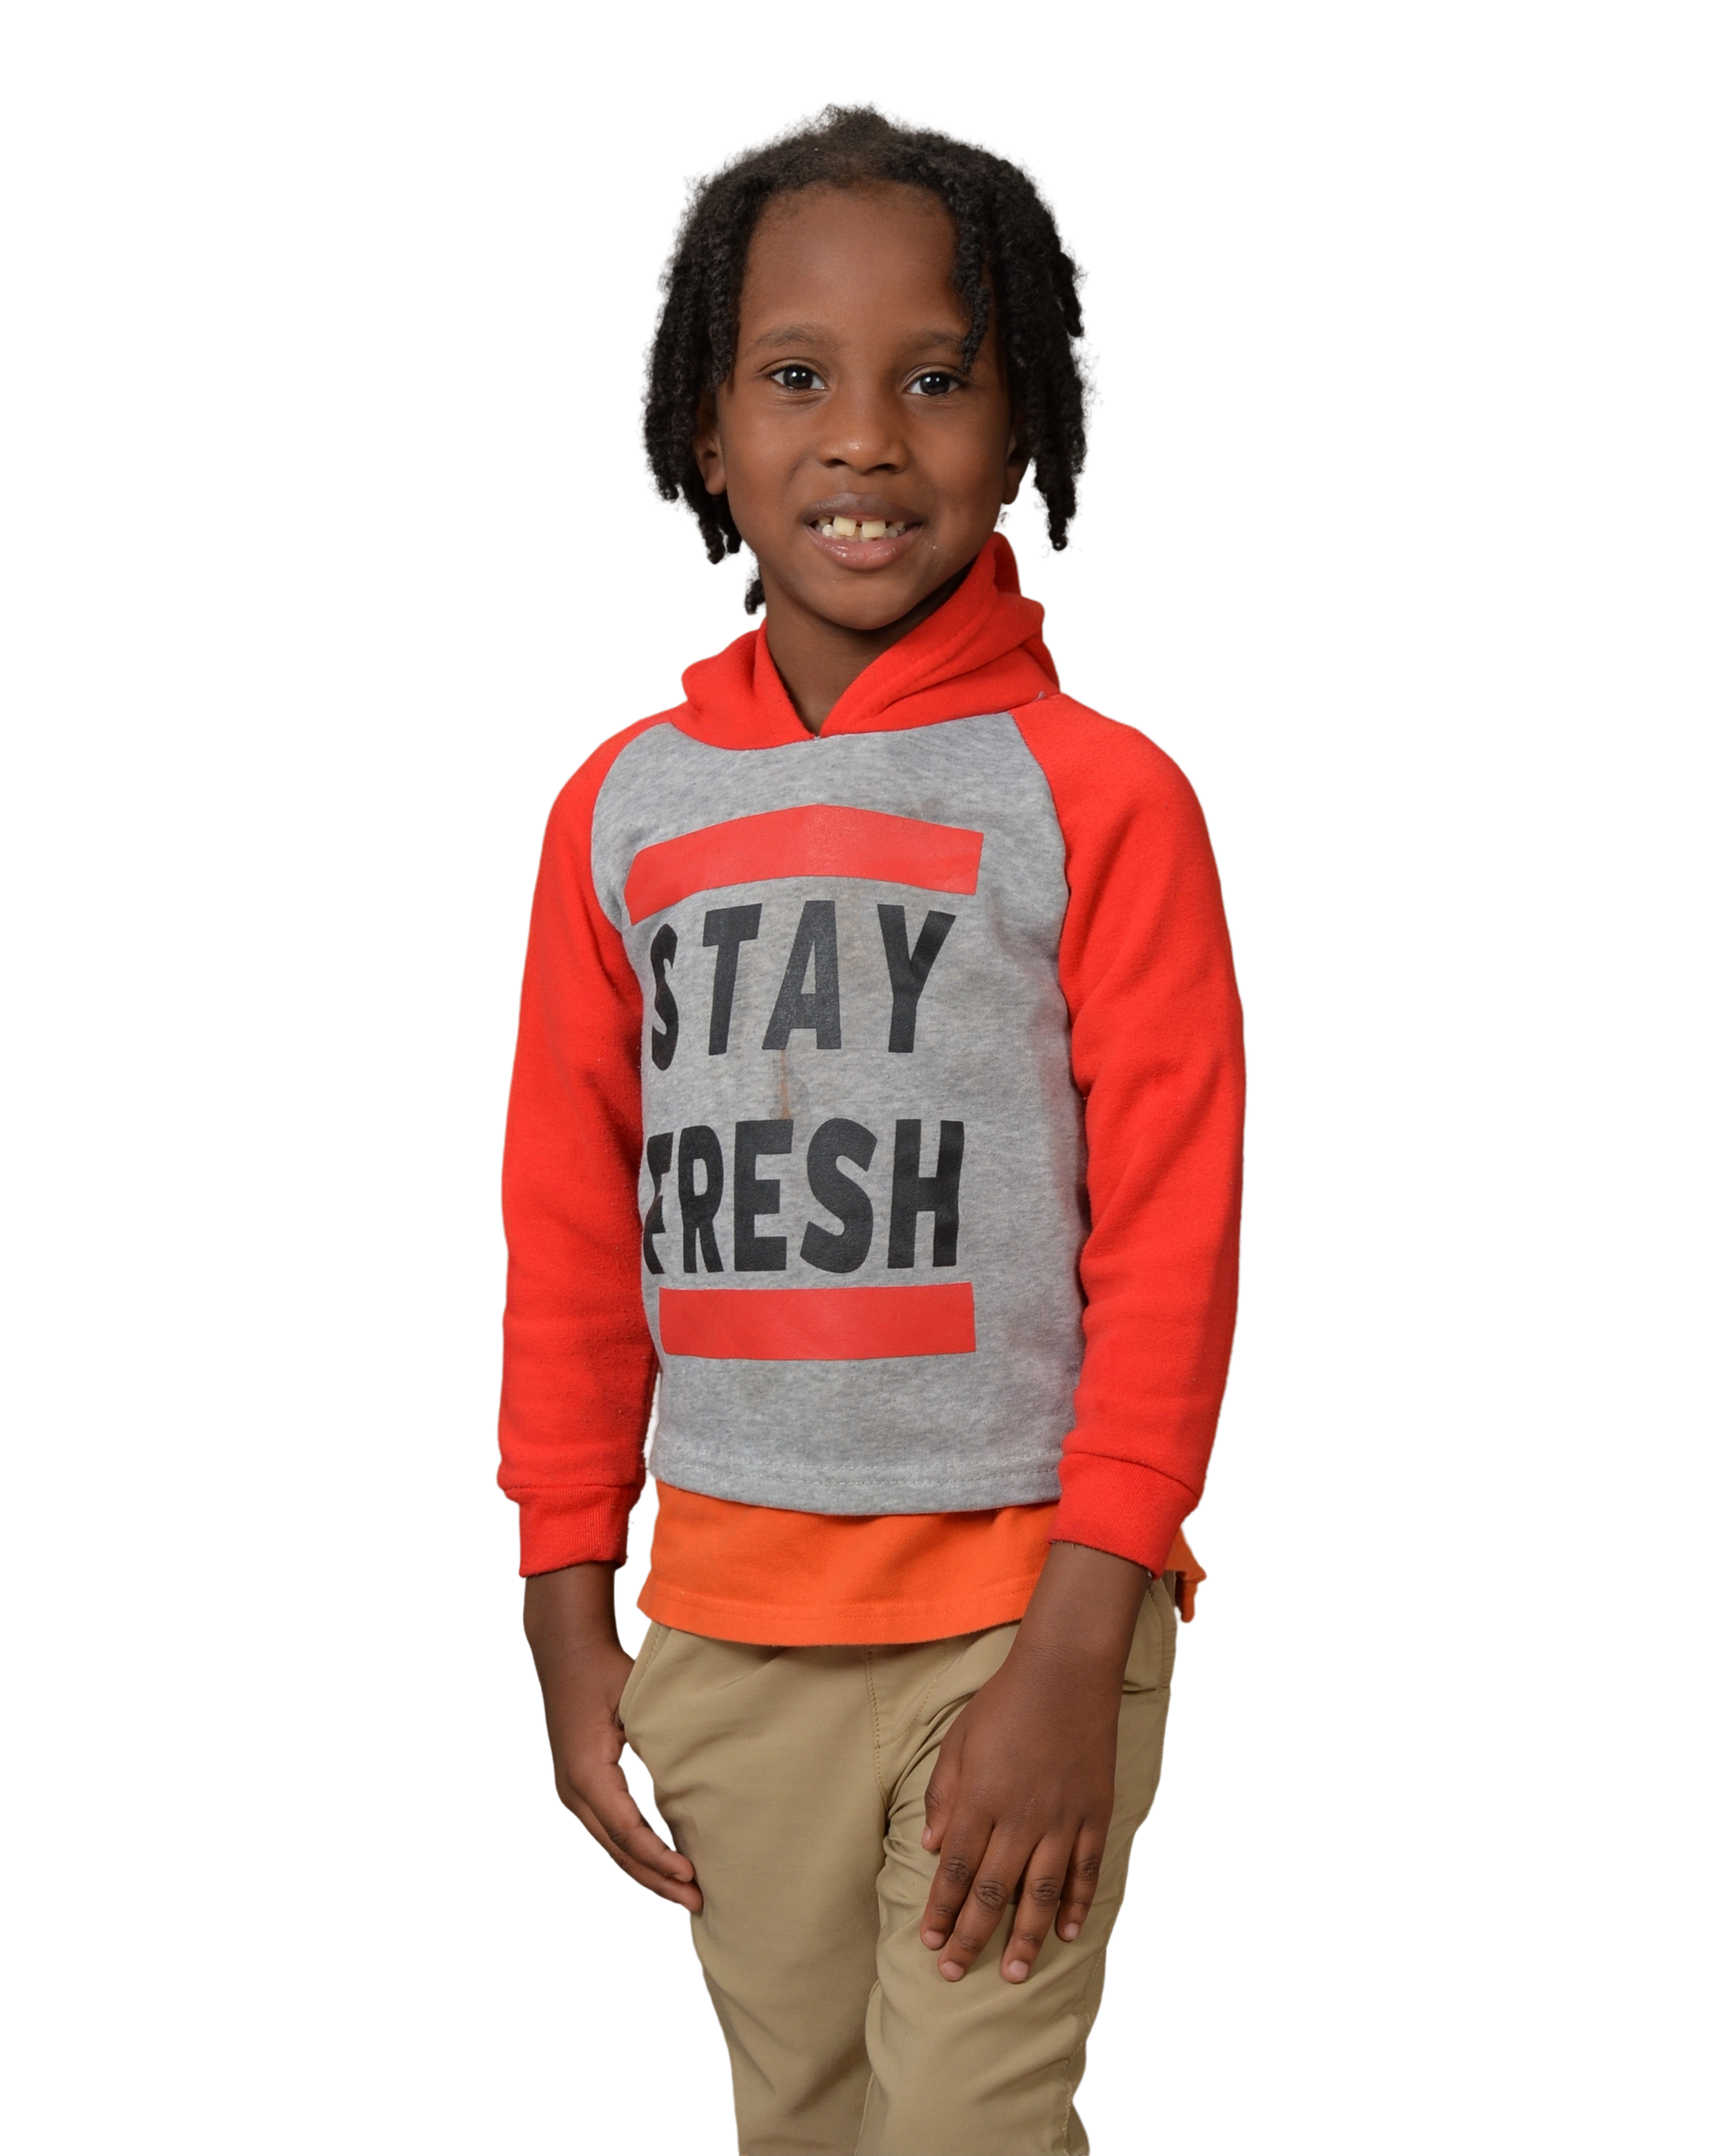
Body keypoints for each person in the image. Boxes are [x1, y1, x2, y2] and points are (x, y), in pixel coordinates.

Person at [496, 96, 1244, 2156]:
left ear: (1024, 423)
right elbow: (569, 1226)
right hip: (722, 1630)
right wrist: (568, 1613)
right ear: (704, 429)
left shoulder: (1100, 799)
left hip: (1021, 1617)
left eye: (936, 378)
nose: (864, 441)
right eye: (794, 378)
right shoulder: (615, 811)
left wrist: (1080, 1643)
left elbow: (1172, 1247)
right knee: (806, 2122)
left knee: (966, 2131)